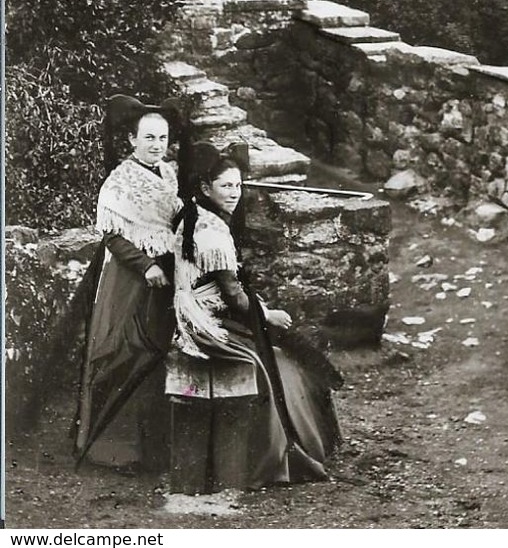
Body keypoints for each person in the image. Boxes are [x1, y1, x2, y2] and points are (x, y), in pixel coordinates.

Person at [167, 141, 342, 494]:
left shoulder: (196, 214)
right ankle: (278, 454)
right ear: (206, 188)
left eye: (238, 185)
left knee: (285, 350)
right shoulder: (211, 231)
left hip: (206, 310)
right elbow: (233, 295)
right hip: (205, 322)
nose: (234, 193)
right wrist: (268, 314)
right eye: (226, 186)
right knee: (277, 360)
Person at [75, 93, 188, 470]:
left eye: (162, 138)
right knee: (126, 351)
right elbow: (111, 234)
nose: (156, 146)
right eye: (149, 138)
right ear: (132, 140)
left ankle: (158, 443)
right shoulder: (119, 181)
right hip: (131, 279)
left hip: (166, 272)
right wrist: (145, 266)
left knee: (161, 350)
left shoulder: (169, 172)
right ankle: (113, 445)